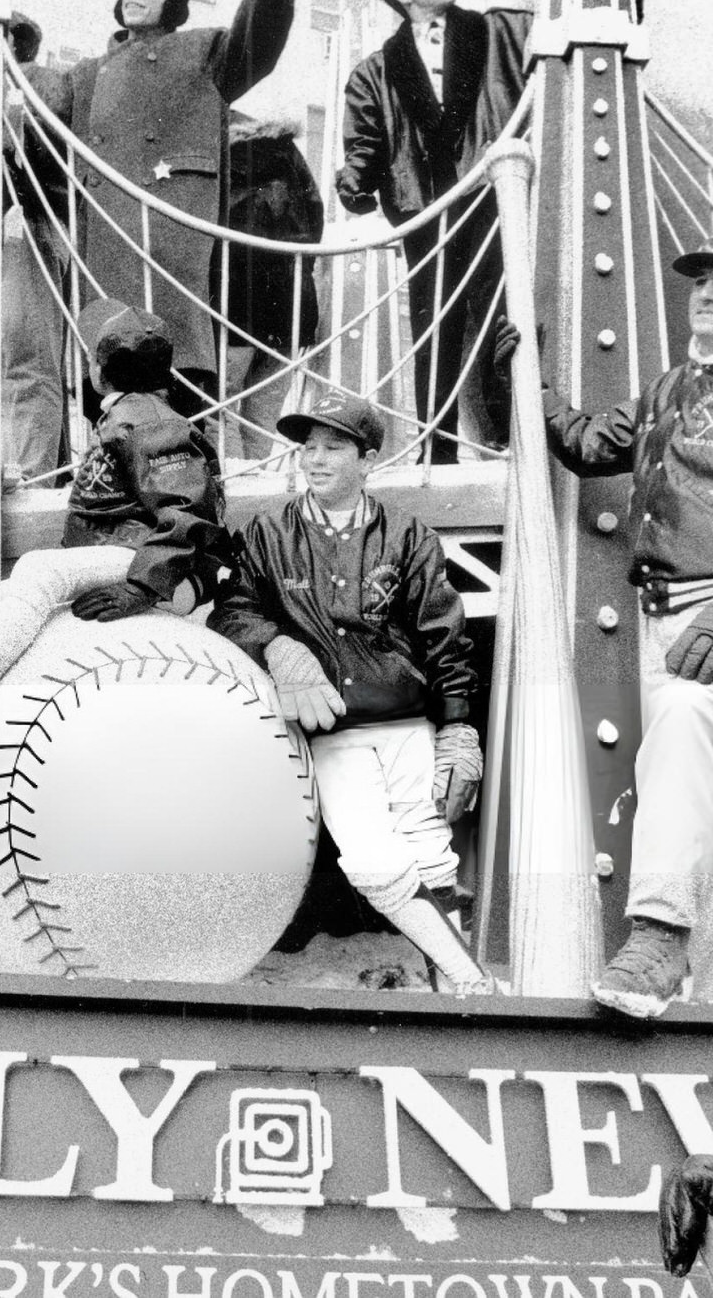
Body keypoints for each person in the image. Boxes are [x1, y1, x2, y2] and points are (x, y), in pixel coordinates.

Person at [496, 223, 713, 1017]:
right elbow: (590, 443)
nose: (708, 293)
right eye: (700, 281)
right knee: (710, 814)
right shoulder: (674, 386)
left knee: (689, 717)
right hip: (671, 618)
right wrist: (526, 385)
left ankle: (656, 937)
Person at [0, 301, 232, 769]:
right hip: (135, 555)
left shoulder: (148, 420)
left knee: (36, 566)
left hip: (166, 570)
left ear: (99, 371)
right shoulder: (136, 415)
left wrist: (142, 585)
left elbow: (188, 510)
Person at [209, 391, 492, 993]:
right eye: (307, 447)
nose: (314, 459)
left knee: (430, 850)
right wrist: (280, 649)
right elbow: (232, 612)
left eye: (333, 447)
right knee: (371, 861)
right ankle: (471, 980)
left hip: (405, 718)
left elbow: (444, 638)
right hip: (334, 728)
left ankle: (456, 994)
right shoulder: (267, 532)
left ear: (367, 459)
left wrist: (459, 727)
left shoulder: (409, 536)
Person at [338, 0, 644, 461]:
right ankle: (438, 447)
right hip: (427, 210)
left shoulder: (503, 30)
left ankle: (518, 436)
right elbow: (365, 140)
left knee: (513, 317)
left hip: (497, 199)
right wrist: (355, 184)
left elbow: (579, 40)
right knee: (437, 328)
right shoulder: (374, 70)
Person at [43, 0, 313, 412]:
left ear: (174, 4)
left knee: (184, 413)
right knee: (108, 411)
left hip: (172, 264)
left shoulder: (203, 52)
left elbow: (263, 36)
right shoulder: (85, 76)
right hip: (104, 265)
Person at [215, 113, 324, 460]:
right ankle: (257, 495)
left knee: (222, 408)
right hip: (291, 312)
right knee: (262, 416)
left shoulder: (221, 158)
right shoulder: (290, 157)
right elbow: (315, 223)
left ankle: (236, 499)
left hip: (235, 308)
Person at [0, 11, 68, 485]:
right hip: (6, 224)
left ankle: (29, 474)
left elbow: (33, 155)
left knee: (26, 357)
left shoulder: (36, 83)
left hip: (28, 222)